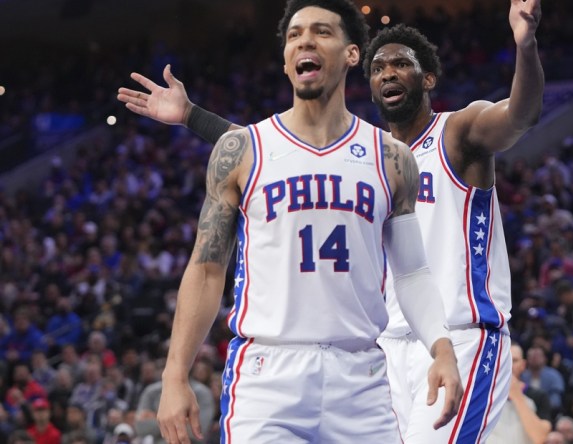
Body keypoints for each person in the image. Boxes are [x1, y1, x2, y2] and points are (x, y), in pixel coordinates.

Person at [117, 0, 544, 441]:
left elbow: (521, 115)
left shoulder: (449, 136)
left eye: (401, 64)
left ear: (427, 77)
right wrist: (192, 115)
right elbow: (269, 155)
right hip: (368, 348)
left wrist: (525, 45)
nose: (388, 74)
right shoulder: (363, 155)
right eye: (380, 68)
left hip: (451, 336)